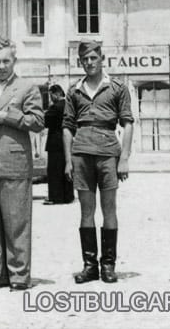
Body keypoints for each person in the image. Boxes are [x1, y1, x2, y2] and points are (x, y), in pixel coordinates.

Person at [0, 39, 44, 291]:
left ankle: (19, 275)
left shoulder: (27, 87)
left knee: (16, 222)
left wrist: (8, 117)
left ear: (14, 61)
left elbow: (37, 121)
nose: (1, 66)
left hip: (13, 162)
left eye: (6, 61)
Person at [63, 40, 134, 284]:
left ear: (101, 58)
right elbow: (67, 127)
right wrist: (68, 160)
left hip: (108, 153)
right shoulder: (74, 91)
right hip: (81, 153)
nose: (90, 63)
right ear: (80, 62)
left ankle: (108, 265)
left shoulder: (117, 88)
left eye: (94, 58)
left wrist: (124, 158)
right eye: (85, 59)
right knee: (86, 211)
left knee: (109, 209)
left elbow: (127, 123)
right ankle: (90, 265)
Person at [43, 84, 73, 204]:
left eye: (51, 95)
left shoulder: (55, 107)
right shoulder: (69, 105)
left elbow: (45, 122)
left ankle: (56, 196)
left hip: (55, 142)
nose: (51, 98)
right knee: (67, 168)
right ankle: (68, 196)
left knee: (55, 170)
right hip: (68, 141)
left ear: (57, 94)